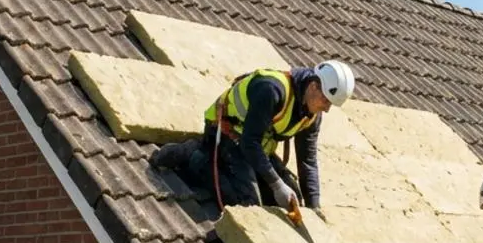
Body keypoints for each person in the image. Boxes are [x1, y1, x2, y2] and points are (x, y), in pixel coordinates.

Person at [152, 61, 355, 212]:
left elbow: (307, 161)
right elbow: (250, 141)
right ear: (313, 86)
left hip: (254, 148)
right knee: (247, 204)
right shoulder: (271, 90)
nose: (326, 109)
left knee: (294, 201)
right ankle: (194, 156)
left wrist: (314, 207)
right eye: (326, 101)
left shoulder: (312, 115)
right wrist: (276, 183)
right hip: (225, 134)